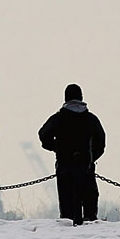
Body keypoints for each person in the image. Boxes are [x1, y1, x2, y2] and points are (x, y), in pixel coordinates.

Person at [39, 84, 106, 225]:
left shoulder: (58, 118)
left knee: (67, 207)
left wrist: (56, 148)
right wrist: (91, 157)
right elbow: (101, 142)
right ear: (81, 97)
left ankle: (69, 234)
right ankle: (90, 230)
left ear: (65, 98)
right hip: (86, 167)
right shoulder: (91, 119)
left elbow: (43, 135)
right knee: (89, 207)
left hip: (65, 166)